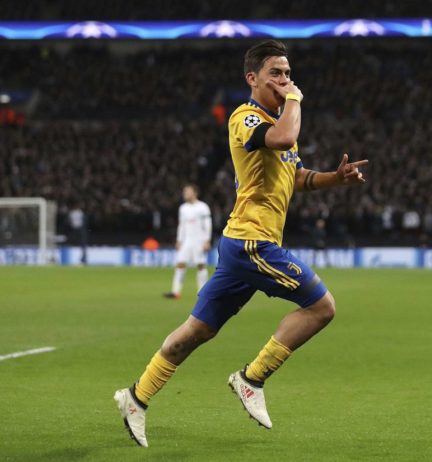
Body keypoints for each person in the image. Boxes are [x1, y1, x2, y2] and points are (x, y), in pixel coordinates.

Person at [114, 40, 368, 448]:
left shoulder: (278, 124)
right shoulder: (246, 117)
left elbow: (296, 177)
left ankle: (135, 397)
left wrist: (335, 179)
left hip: (242, 245)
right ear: (252, 78)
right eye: (276, 73)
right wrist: (295, 99)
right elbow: (284, 138)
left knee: (196, 331)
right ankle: (252, 378)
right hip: (253, 243)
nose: (285, 80)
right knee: (322, 307)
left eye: (288, 74)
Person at [163, 185, 212, 300]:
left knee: (200, 265)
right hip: (186, 240)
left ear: (195, 193)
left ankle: (202, 292)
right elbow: (181, 225)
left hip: (199, 240)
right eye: (184, 192)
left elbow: (208, 224)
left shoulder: (203, 207)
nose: (185, 194)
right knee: (180, 263)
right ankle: (175, 292)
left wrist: (207, 240)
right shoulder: (183, 208)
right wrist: (179, 240)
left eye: (187, 192)